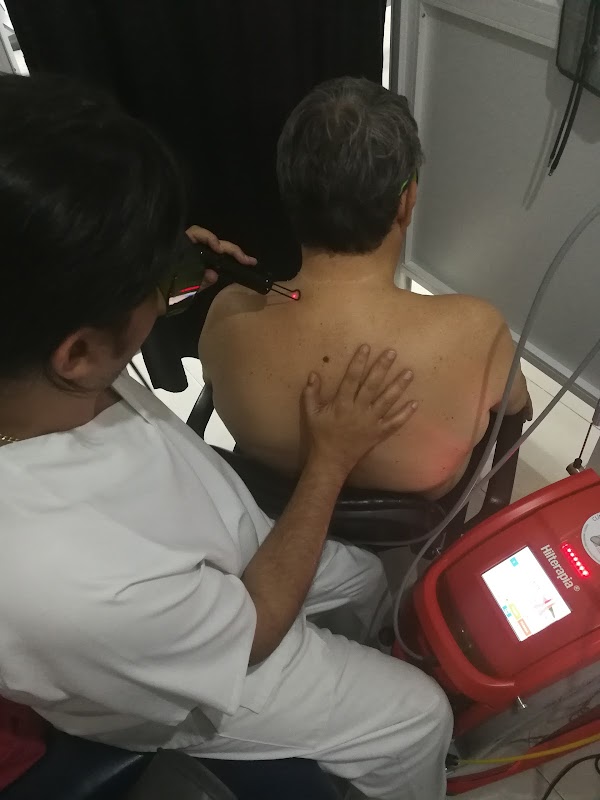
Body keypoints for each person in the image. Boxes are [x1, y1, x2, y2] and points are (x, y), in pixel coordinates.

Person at [0, 74, 452, 800]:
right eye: (145, 287)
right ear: (78, 352)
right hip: (196, 669)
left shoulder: (33, 356)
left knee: (367, 579)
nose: (162, 294)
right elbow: (255, 629)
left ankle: (361, 654)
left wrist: (163, 271)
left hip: (220, 545)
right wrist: (330, 459)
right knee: (419, 718)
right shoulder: (60, 582)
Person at [200, 77, 529, 501]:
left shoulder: (228, 315)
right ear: (406, 200)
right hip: (412, 522)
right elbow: (515, 405)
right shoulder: (476, 331)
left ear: (288, 193)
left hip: (268, 505)